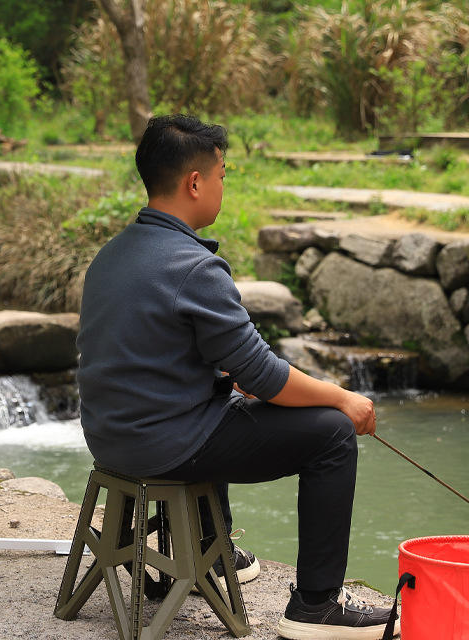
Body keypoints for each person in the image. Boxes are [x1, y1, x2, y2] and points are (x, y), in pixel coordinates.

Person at [76, 114, 399, 640]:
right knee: (332, 435)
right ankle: (317, 605)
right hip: (163, 445)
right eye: (222, 175)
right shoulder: (193, 267)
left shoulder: (111, 255)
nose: (223, 185)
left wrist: (236, 372)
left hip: (108, 438)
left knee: (222, 397)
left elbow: (159, 352)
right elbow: (264, 376)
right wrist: (342, 398)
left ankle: (211, 546)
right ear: (195, 182)